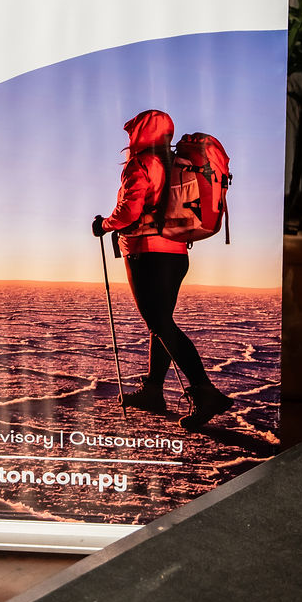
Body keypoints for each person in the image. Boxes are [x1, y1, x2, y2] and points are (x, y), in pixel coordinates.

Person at [92, 108, 233, 431]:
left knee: (160, 324)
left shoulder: (141, 164)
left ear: (140, 133)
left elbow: (129, 212)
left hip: (147, 253)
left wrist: (104, 225)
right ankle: (154, 391)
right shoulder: (175, 163)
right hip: (177, 253)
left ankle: (205, 392)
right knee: (161, 323)